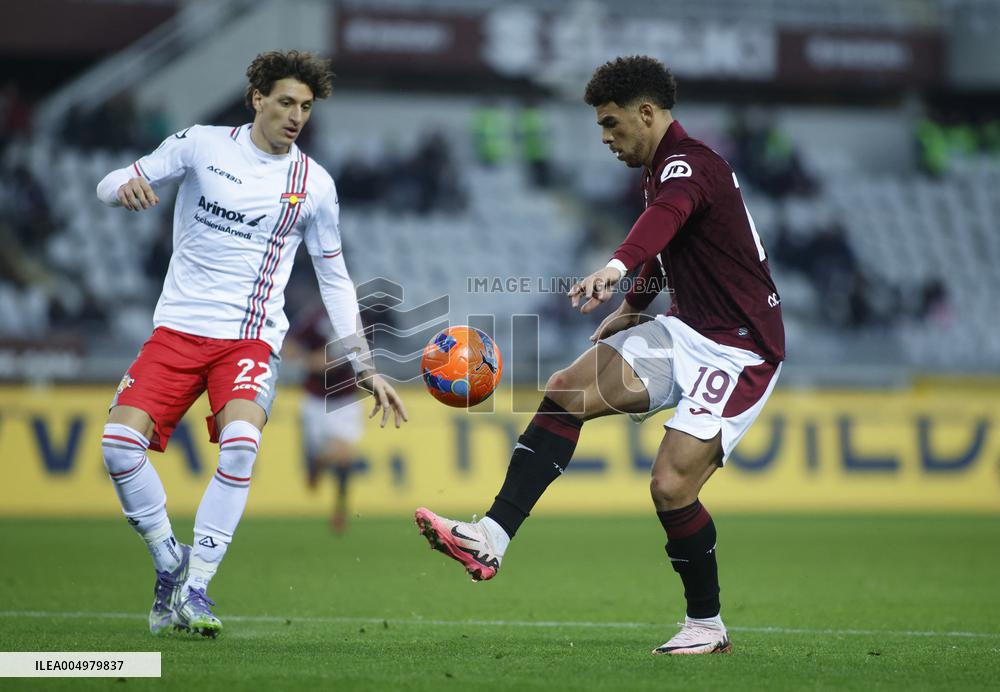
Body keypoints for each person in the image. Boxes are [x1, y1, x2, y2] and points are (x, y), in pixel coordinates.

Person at [414, 56, 784, 655]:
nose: (607, 139)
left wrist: (616, 269)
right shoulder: (663, 168)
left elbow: (664, 222)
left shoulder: (691, 165)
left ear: (647, 113)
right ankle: (492, 535)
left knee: (670, 486)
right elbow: (674, 245)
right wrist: (637, 304)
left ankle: (706, 625)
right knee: (566, 389)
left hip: (740, 349)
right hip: (685, 328)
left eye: (612, 125)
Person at [96, 50, 407, 638]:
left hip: (249, 339)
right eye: (286, 102)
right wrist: (125, 189)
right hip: (176, 331)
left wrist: (363, 364)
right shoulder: (200, 145)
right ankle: (170, 560)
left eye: (306, 108)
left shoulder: (312, 183)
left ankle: (197, 588)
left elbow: (336, 278)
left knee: (240, 443)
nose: (296, 116)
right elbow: (109, 181)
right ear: (257, 97)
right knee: (116, 448)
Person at [285, 304, 366, 533]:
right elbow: (289, 346)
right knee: (321, 453)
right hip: (315, 399)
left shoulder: (358, 320)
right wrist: (309, 359)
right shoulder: (315, 319)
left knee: (345, 456)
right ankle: (317, 464)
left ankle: (340, 509)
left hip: (345, 399)